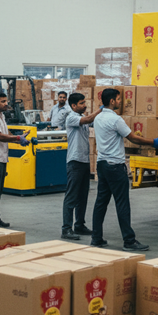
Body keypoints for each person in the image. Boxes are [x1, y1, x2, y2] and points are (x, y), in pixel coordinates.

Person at [91, 88, 158, 251]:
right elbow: (132, 138)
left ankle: (96, 238)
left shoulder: (98, 118)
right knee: (122, 203)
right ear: (112, 101)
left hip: (102, 164)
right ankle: (129, 241)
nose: (120, 102)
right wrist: (153, 142)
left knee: (101, 202)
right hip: (115, 167)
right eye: (118, 99)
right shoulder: (115, 119)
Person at [0, 92, 31, 227]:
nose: (6, 104)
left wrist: (19, 138)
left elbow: (6, 133)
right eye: (3, 101)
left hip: (1, 157)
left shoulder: (1, 116)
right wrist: (17, 138)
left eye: (6, 101)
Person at [61, 93, 103, 240]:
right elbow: (89, 119)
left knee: (82, 196)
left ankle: (79, 225)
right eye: (81, 103)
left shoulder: (81, 117)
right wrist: (101, 109)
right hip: (75, 162)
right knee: (72, 196)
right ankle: (66, 229)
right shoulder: (71, 117)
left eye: (84, 102)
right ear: (73, 106)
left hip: (84, 161)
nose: (84, 105)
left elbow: (93, 122)